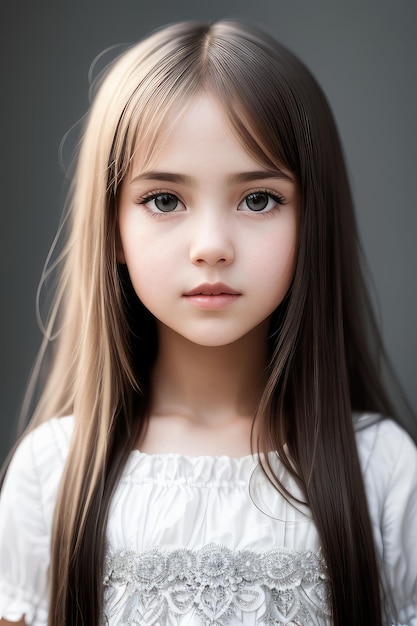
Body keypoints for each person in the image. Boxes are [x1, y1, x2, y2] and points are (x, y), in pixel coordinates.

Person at [0, 19, 416, 626]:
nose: (213, 246)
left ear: (312, 221)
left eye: (258, 199)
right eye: (165, 200)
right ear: (112, 227)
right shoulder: (53, 475)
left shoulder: (383, 471)